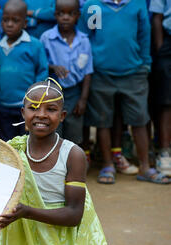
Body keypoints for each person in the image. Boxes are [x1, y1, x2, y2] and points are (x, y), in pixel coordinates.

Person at [0, 78, 113, 245]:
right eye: (33, 108)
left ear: (62, 116)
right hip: (29, 240)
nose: (41, 115)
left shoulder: (73, 155)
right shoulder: (13, 151)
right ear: (23, 113)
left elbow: (74, 215)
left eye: (51, 109)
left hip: (63, 244)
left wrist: (27, 212)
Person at [79, 0, 170, 184]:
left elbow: (144, 36)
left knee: (139, 119)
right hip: (101, 72)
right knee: (103, 121)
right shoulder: (93, 6)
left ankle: (145, 167)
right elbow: (85, 37)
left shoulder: (137, 5)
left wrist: (145, 64)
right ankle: (107, 165)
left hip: (134, 72)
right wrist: (88, 66)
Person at [0, 0, 48, 141]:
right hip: (4, 104)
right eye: (5, 20)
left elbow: (42, 72)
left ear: (25, 23)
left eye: (15, 21)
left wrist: (35, 100)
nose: (9, 24)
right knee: (7, 141)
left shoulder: (34, 45)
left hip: (26, 106)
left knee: (27, 140)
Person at [40, 0, 92, 146]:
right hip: (52, 94)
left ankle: (73, 166)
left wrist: (83, 99)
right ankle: (55, 167)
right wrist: (52, 67)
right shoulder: (46, 38)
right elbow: (40, 64)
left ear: (78, 15)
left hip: (74, 94)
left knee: (74, 135)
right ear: (55, 15)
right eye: (61, 13)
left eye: (70, 14)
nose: (65, 17)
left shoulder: (83, 41)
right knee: (54, 133)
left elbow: (88, 72)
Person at [150, 0, 171, 176]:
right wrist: (160, 48)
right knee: (166, 101)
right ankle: (164, 151)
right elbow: (157, 17)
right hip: (167, 43)